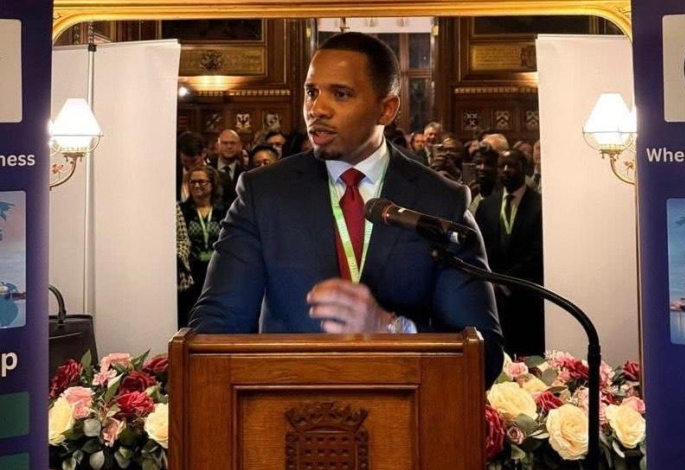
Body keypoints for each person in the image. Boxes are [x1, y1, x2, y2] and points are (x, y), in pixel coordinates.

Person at [189, 32, 503, 386]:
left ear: (386, 109)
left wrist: (390, 328)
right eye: (312, 92)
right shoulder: (264, 193)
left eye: (340, 94)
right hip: (289, 407)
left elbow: (484, 356)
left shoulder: (440, 200)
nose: (316, 109)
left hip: (405, 407)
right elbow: (216, 325)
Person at [475, 149, 543, 357]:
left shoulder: (540, 205)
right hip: (494, 297)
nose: (505, 170)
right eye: (501, 166)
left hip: (526, 294)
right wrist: (492, 281)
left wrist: (506, 281)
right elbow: (478, 246)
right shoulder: (487, 205)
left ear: (524, 168)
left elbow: (537, 251)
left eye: (511, 165)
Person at [177, 165, 228, 328]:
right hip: (192, 272)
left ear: (212, 184)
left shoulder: (225, 210)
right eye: (192, 182)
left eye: (202, 182)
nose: (197, 186)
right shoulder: (182, 210)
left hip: (218, 271)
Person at [209, 129, 246, 207]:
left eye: (233, 143)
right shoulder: (207, 169)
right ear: (217, 146)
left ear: (240, 146)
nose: (229, 146)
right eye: (225, 143)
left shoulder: (246, 173)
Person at [176, 131, 207, 202]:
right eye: (185, 161)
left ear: (204, 153)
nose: (190, 167)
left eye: (194, 161)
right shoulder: (172, 176)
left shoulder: (221, 178)